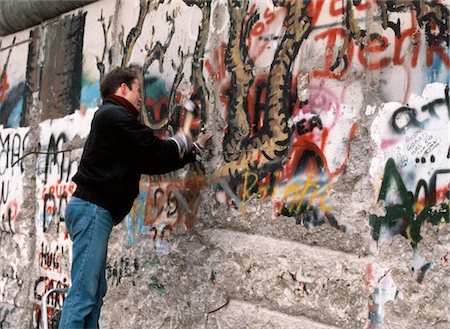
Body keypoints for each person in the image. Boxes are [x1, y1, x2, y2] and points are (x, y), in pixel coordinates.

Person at [59, 67, 209, 329]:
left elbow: (149, 159)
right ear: (123, 89)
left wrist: (189, 150)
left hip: (92, 210)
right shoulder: (114, 116)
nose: (142, 98)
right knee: (83, 295)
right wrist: (185, 141)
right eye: (138, 90)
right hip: (93, 210)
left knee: (93, 295)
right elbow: (153, 150)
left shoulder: (112, 120)